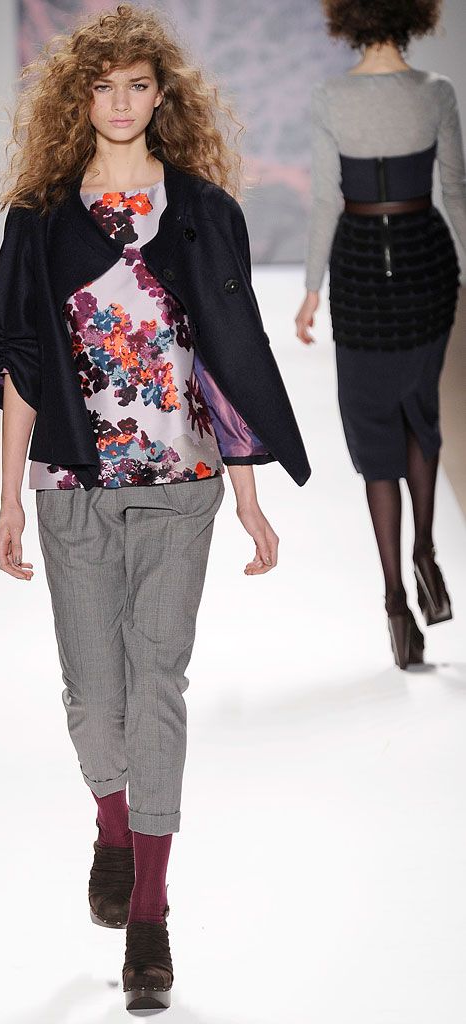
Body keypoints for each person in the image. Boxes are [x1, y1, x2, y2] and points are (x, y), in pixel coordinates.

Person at [0, 4, 310, 1011]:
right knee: (93, 695)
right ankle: (112, 826)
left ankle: (151, 917)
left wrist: (247, 493)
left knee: (157, 682)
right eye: (102, 85)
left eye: (136, 84)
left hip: (180, 479)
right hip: (71, 482)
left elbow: (227, 353)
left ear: (161, 96)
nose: (119, 102)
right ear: (77, 99)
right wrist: (6, 496)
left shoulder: (202, 209)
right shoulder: (40, 220)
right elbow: (19, 358)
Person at [295, 0, 465, 670]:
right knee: (419, 413)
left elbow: (325, 199)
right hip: (426, 263)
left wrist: (312, 289)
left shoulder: (329, 96)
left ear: (349, 18)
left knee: (372, 427)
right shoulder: (435, 92)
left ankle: (395, 599)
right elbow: (455, 189)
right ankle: (425, 550)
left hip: (362, 268)